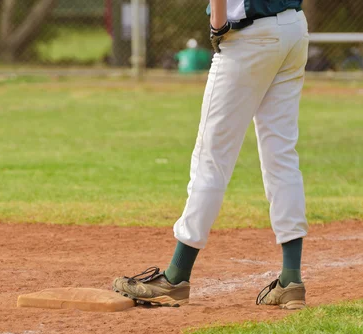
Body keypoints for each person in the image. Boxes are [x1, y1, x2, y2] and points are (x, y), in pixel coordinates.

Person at [113, 0, 309, 310]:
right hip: (294, 28)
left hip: (249, 35)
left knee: (211, 158)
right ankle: (291, 279)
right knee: (281, 153)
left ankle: (177, 275)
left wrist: (217, 25)